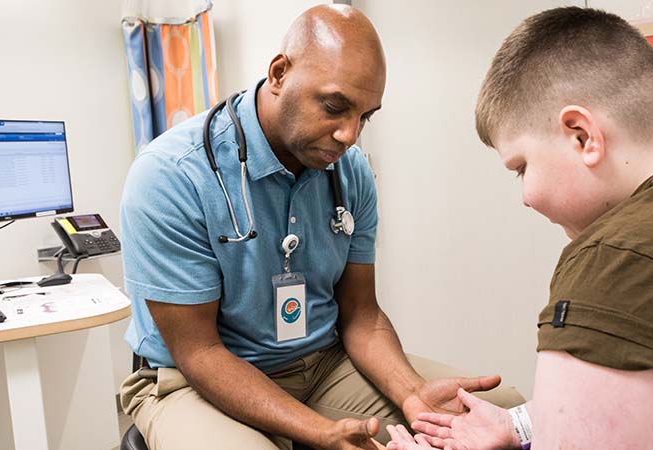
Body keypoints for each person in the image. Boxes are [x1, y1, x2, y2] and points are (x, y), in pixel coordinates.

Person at [118, 4, 523, 450]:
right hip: (192, 382)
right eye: (335, 107)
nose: (350, 134)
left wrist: (412, 394)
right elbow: (200, 353)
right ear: (279, 73)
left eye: (365, 116)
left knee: (498, 416)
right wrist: (318, 432)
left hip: (323, 366)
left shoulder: (350, 174)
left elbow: (362, 316)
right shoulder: (171, 176)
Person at [387, 6, 653, 450]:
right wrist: (522, 428)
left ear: (581, 135)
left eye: (522, 168)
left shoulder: (623, 260)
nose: (526, 197)